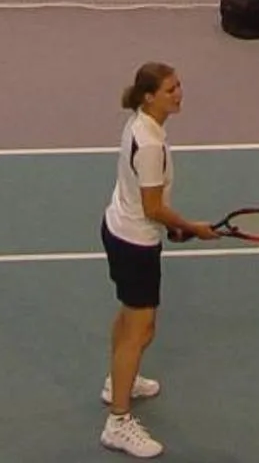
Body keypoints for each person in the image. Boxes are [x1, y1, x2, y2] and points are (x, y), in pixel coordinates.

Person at [100, 62, 215, 458]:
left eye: (179, 85)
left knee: (129, 314)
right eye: (170, 89)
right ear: (149, 96)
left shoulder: (140, 123)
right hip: (134, 241)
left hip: (118, 226)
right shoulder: (149, 143)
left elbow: (146, 201)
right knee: (142, 329)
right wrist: (190, 226)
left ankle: (117, 383)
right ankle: (118, 422)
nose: (179, 93)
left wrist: (174, 227)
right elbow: (152, 206)